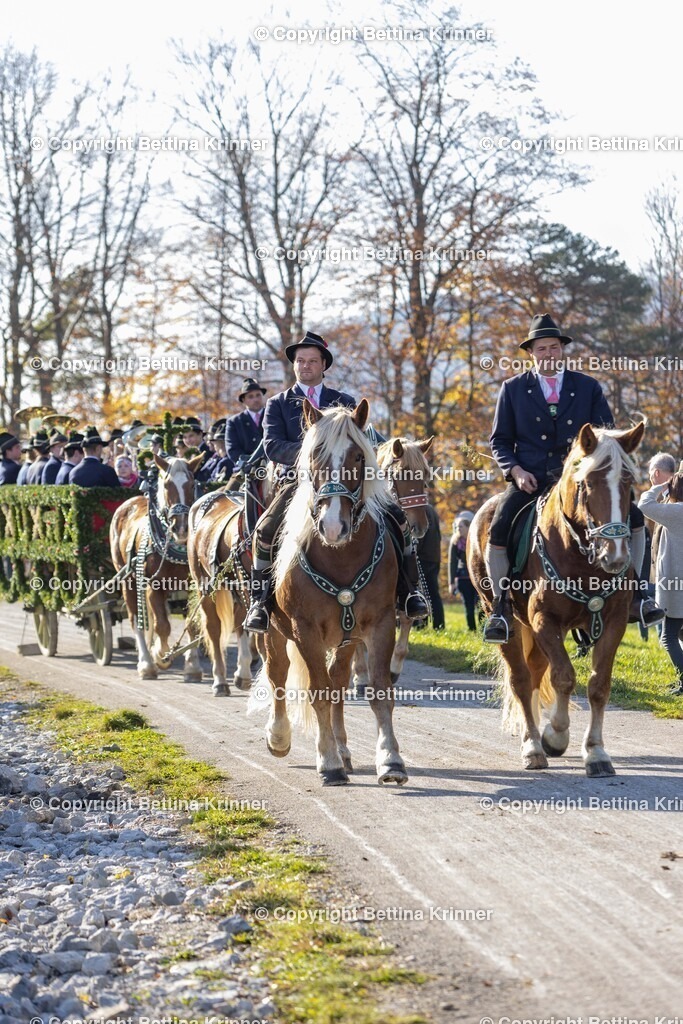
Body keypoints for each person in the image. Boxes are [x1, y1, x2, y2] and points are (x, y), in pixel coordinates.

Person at [484, 312, 662, 642]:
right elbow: (499, 441)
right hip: (531, 478)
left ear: (562, 350)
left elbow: (605, 434)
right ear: (531, 353)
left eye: (553, 348)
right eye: (541, 349)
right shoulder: (512, 389)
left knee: (634, 518)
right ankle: (501, 608)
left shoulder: (587, 387)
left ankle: (639, 592)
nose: (548, 354)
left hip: (583, 480)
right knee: (498, 526)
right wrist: (516, 471)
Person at [244, 330, 429, 632]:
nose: (305, 365)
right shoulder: (278, 403)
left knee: (397, 517)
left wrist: (397, 450)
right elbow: (272, 445)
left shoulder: (343, 401)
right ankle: (260, 602)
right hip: (299, 480)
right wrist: (314, 455)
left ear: (323, 365)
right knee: (265, 528)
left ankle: (409, 592)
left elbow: (367, 440)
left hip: (346, 480)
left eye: (312, 361)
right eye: (300, 361)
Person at [638, 460, 683, 694]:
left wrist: (661, 485)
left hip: (676, 587)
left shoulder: (677, 512)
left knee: (668, 637)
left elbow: (644, 504)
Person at [449, 511, 479, 632]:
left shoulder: (475, 540)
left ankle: (483, 629)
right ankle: (472, 629)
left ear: (468, 527)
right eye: (457, 527)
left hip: (476, 577)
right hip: (462, 577)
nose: (458, 529)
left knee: (481, 605)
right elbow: (452, 562)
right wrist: (451, 582)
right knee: (468, 606)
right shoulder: (455, 542)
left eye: (461, 527)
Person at [415, 504, 444, 630]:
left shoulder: (421, 509)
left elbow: (420, 535)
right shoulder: (431, 509)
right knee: (432, 593)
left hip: (423, 557)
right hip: (433, 556)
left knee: (422, 592)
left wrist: (414, 554)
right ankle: (438, 624)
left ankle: (423, 625)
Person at [226, 378, 267, 466]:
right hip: (246, 468)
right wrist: (248, 463)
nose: (255, 399)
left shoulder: (273, 415)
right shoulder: (234, 422)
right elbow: (232, 449)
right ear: (243, 400)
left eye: (258, 395)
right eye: (250, 396)